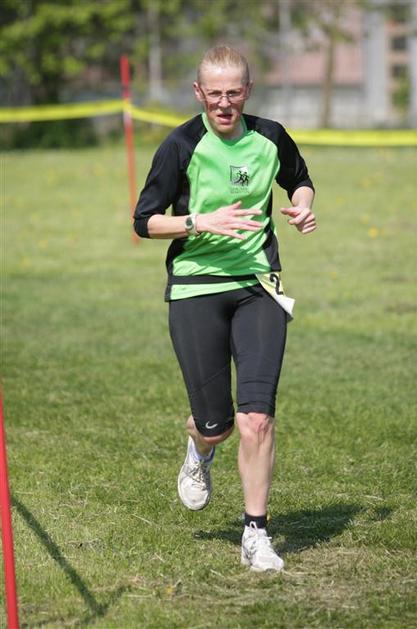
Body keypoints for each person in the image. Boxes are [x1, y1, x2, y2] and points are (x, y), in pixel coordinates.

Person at [134, 45, 316, 572]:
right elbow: (144, 221)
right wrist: (199, 222)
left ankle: (256, 532)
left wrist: (303, 206)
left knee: (256, 416)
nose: (224, 103)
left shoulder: (271, 136)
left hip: (258, 286)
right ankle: (201, 448)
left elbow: (299, 179)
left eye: (233, 92)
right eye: (214, 93)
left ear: (248, 91)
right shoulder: (181, 144)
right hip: (195, 287)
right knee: (216, 425)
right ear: (198, 93)